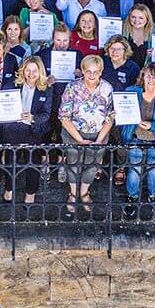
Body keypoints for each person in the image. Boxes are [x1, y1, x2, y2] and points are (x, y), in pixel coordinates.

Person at [59, 54, 114, 217]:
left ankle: (84, 192)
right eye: (88, 71)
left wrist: (99, 140)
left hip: (99, 133)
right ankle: (73, 193)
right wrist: (79, 139)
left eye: (96, 72)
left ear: (101, 71)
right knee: (73, 164)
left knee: (92, 166)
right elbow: (63, 116)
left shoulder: (107, 88)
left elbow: (110, 117)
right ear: (82, 70)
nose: (92, 75)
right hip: (73, 132)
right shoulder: (72, 87)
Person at [119, 62, 155, 215]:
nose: (151, 80)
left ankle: (154, 197)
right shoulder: (131, 92)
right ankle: (132, 198)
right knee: (134, 169)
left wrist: (152, 126)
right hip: (135, 137)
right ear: (142, 76)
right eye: (148, 76)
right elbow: (122, 112)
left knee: (154, 169)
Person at [0, 55, 54, 204]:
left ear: (40, 71)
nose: (31, 74)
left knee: (32, 163)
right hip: (13, 128)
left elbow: (46, 114)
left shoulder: (46, 88)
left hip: (34, 130)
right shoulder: (11, 84)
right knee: (10, 161)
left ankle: (30, 193)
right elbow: (1, 104)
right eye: (28, 70)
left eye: (35, 71)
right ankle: (9, 189)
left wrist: (33, 118)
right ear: (23, 70)